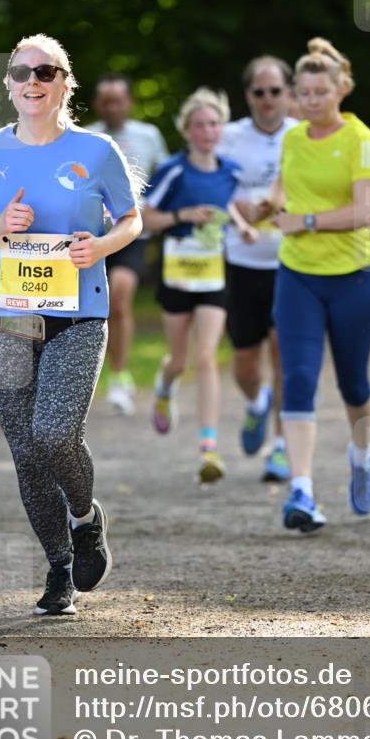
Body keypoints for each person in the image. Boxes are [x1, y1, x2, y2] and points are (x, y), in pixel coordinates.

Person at [0, 34, 143, 616]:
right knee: (27, 453)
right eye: (21, 72)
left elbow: (132, 221)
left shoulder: (98, 149)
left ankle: (85, 517)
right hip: (3, 313)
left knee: (54, 433)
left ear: (65, 84)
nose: (32, 81)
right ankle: (60, 565)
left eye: (45, 71)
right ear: (8, 85)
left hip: (78, 312)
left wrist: (102, 246)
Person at [270, 37, 370, 532]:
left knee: (353, 383)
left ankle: (362, 456)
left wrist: (309, 220)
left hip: (354, 277)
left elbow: (365, 210)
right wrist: (270, 209)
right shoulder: (293, 138)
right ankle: (301, 490)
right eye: (305, 92)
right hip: (297, 274)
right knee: (298, 375)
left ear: (340, 89)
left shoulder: (362, 140)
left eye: (321, 91)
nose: (312, 99)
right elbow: (282, 193)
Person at [142, 87, 257, 482]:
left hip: (212, 273)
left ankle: (209, 449)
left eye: (214, 123)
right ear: (187, 130)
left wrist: (244, 229)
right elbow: (144, 217)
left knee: (207, 356)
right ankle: (164, 386)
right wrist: (182, 215)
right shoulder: (174, 169)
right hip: (176, 272)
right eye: (200, 125)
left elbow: (232, 211)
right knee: (180, 360)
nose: (208, 131)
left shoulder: (231, 171)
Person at [219, 55, 298, 482]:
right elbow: (213, 186)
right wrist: (237, 209)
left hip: (291, 262)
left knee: (285, 353)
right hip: (242, 260)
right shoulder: (230, 136)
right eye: (259, 92)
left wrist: (280, 206)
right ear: (248, 95)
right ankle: (256, 403)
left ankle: (282, 446)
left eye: (275, 91)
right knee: (245, 364)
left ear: (288, 93)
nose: (267, 100)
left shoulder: (302, 136)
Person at [89, 73, 169, 415]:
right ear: (97, 104)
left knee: (119, 297)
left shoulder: (147, 136)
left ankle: (120, 377)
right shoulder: (84, 136)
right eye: (106, 101)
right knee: (96, 310)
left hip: (133, 233)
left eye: (118, 100)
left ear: (129, 102)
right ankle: (95, 376)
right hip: (93, 235)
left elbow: (166, 178)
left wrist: (158, 211)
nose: (112, 107)